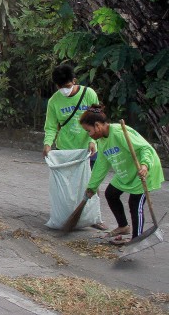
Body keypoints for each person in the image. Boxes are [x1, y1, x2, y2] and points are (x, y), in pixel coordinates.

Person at [80, 104, 164, 245]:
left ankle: (136, 239)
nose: (89, 135)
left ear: (97, 126)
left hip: (143, 171)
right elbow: (101, 165)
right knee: (111, 194)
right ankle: (123, 226)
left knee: (134, 203)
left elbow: (145, 149)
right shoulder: (102, 141)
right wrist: (91, 187)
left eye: (88, 131)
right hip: (125, 171)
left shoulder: (119, 133)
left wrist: (145, 165)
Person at [42, 64, 106, 230]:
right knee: (69, 185)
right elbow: (50, 126)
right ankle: (69, 213)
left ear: (74, 81)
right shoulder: (54, 101)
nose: (64, 90)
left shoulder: (89, 94)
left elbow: (98, 119)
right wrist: (47, 144)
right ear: (57, 86)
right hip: (66, 150)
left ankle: (94, 217)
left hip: (88, 148)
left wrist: (94, 141)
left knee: (92, 183)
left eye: (68, 86)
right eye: (61, 87)